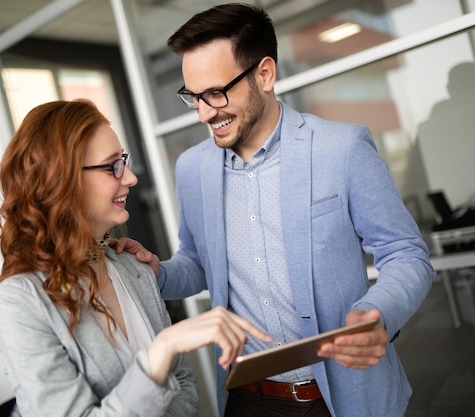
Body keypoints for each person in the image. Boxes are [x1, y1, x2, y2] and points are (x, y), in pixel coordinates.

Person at [113, 3, 436, 417]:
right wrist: (157, 273)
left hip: (343, 394)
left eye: (216, 92)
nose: (204, 113)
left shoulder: (342, 149)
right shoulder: (192, 169)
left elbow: (405, 253)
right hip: (246, 397)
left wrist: (378, 314)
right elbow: (197, 263)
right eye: (193, 97)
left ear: (264, 74)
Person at [0, 99, 270, 417]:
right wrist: (162, 350)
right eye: (112, 165)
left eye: (124, 161)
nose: (130, 178)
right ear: (61, 180)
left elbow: (185, 387)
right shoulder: (19, 300)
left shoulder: (133, 269)